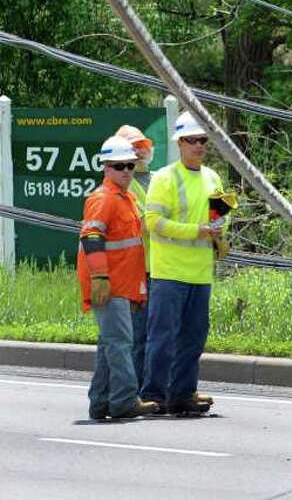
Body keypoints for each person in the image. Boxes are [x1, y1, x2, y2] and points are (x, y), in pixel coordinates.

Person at [140, 111, 228, 415]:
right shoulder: (164, 178)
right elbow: (153, 222)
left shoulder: (214, 178)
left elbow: (222, 217)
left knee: (193, 338)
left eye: (203, 140)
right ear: (180, 143)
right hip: (169, 272)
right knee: (162, 338)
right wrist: (197, 231)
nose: (199, 145)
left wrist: (220, 236)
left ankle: (182, 393)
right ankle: (153, 394)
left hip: (201, 273)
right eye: (192, 140)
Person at [77, 135, 159, 420]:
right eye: (119, 166)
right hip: (108, 286)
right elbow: (91, 236)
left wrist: (138, 291)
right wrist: (99, 277)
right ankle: (124, 401)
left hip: (124, 285)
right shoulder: (102, 199)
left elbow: (132, 247)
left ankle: (100, 403)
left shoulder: (129, 198)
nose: (126, 171)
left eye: (129, 165)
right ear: (106, 168)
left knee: (110, 343)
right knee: (121, 342)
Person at [114, 123, 155, 386]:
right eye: (133, 148)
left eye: (142, 146)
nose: (140, 152)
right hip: (133, 272)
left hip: (158, 269)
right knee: (135, 335)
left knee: (151, 334)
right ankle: (130, 390)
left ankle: (143, 387)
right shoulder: (123, 185)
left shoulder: (157, 180)